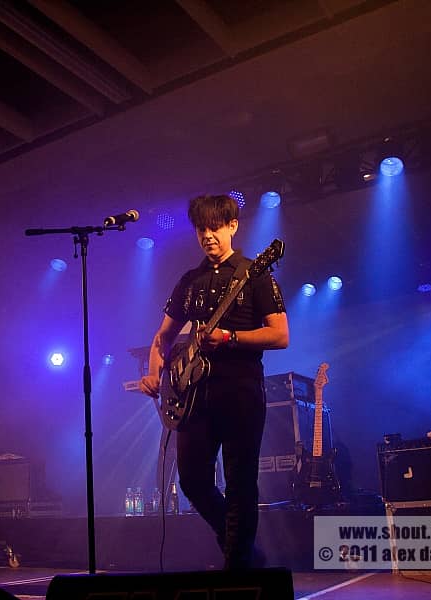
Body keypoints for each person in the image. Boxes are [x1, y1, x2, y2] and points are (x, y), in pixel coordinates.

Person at [139, 194, 289, 569]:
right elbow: (163, 337)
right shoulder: (189, 281)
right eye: (201, 229)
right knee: (192, 481)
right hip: (193, 398)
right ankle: (241, 547)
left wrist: (230, 338)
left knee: (240, 484)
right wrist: (155, 373)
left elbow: (280, 335)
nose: (208, 236)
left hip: (240, 392)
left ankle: (237, 566)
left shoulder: (256, 273)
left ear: (233, 226)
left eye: (215, 227)